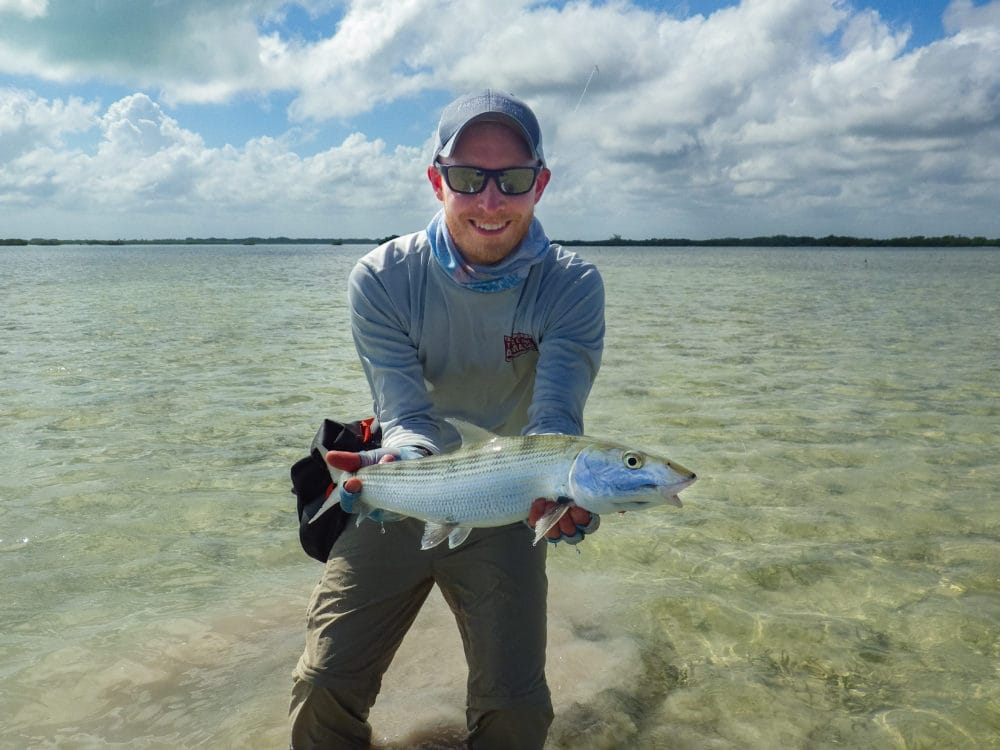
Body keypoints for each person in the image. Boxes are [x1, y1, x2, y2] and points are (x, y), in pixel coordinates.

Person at [289, 89, 605, 749]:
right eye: (468, 179)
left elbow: (555, 418)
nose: (490, 202)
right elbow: (406, 414)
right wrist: (397, 467)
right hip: (406, 488)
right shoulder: (381, 277)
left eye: (512, 180)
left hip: (509, 500)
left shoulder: (573, 284)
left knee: (514, 715)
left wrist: (566, 494)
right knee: (323, 687)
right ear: (438, 179)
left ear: (539, 185)